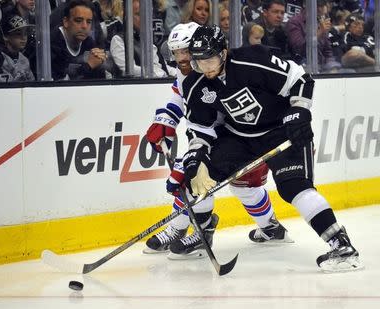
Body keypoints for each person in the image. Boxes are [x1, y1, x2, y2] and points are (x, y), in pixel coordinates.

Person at [180, 24, 363, 272]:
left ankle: (341, 245)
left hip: (281, 131)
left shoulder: (254, 60)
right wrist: (196, 158)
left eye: (211, 60)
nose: (206, 68)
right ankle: (203, 230)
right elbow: (200, 127)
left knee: (294, 186)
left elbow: (300, 80)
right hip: (238, 137)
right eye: (200, 62)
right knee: (194, 176)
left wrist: (298, 111)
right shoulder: (195, 84)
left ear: (223, 52)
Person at [144, 22, 293, 259]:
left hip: (234, 137)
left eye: (186, 51)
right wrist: (165, 121)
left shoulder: (209, 70)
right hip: (212, 136)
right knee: (194, 177)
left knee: (241, 186)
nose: (181, 58)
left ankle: (266, 227)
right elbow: (179, 97)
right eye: (176, 52)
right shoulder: (190, 72)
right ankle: (183, 227)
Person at [109, 0, 175, 77]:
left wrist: (178, 73)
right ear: (127, 16)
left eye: (148, 14)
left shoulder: (148, 39)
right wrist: (158, 74)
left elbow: (160, 67)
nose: (145, 18)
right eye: (139, 14)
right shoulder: (118, 40)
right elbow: (129, 70)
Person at [51, 0, 107, 80]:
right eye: (78, 20)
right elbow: (59, 84)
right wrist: (88, 66)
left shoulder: (89, 42)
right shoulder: (52, 45)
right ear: (66, 22)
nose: (84, 26)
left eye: (88, 22)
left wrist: (99, 60)